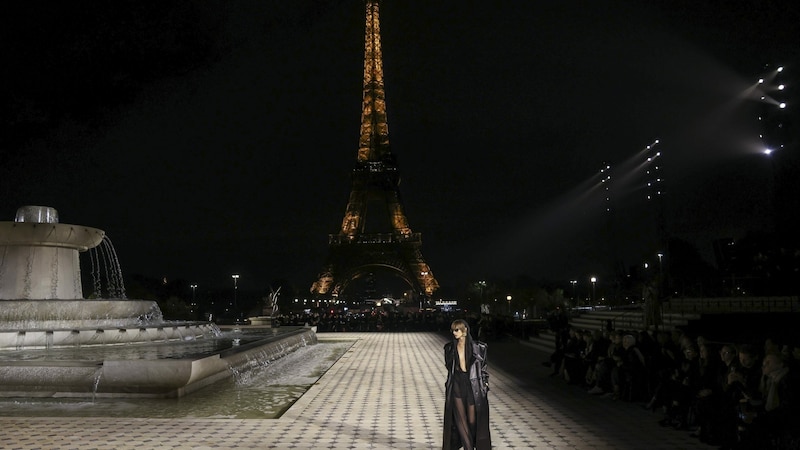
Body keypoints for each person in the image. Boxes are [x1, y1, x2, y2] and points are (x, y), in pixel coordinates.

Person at [443, 319, 491, 450]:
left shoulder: (478, 348)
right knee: (461, 420)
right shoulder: (450, 348)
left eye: (456, 330)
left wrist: (485, 385)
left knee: (472, 420)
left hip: (473, 384)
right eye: (453, 330)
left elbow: (483, 368)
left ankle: (472, 445)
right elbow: (449, 366)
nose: (454, 333)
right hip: (457, 384)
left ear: (465, 330)